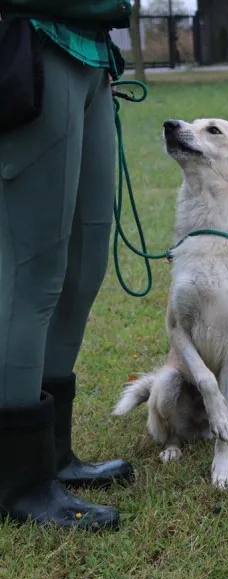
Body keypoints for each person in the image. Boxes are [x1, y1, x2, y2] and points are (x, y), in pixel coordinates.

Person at [0, 1, 135, 530]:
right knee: (34, 273)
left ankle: (54, 457)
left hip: (91, 48)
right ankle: (19, 483)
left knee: (85, 263)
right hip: (33, 37)